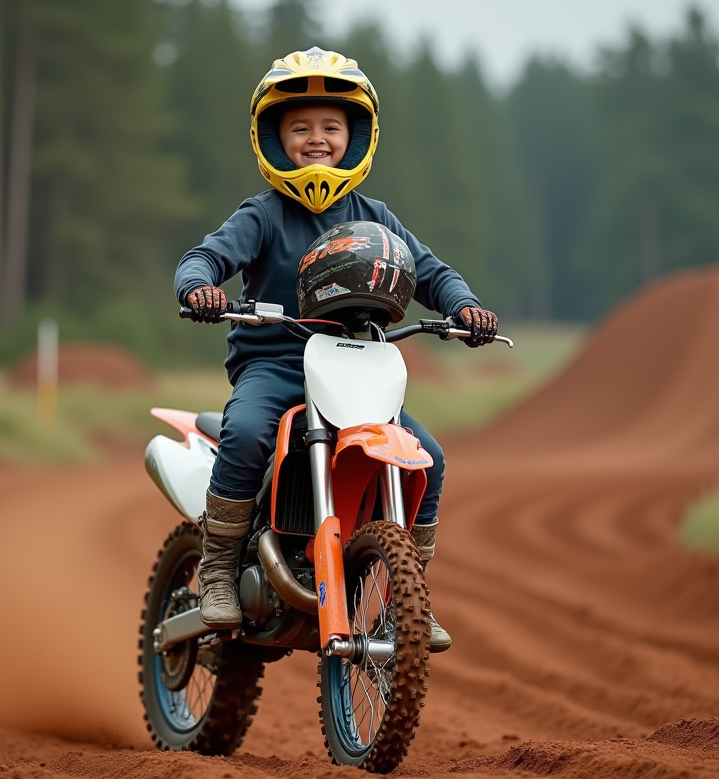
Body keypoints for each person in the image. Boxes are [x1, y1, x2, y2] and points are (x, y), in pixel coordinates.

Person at [174, 47, 498, 653]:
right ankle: (218, 573)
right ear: (275, 138)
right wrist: (198, 285)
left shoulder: (376, 220)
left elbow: (432, 272)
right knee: (245, 434)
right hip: (275, 365)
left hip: (357, 371)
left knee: (427, 456)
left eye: (330, 127)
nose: (315, 139)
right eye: (300, 127)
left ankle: (408, 596)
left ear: (354, 138)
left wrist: (464, 306)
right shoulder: (263, 216)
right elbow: (207, 256)